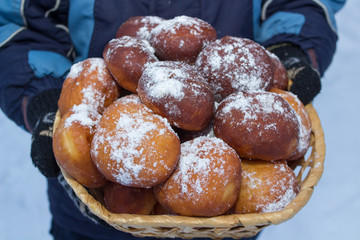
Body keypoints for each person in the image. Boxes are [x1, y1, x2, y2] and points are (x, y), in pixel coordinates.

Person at [0, 0, 345, 239]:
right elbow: (16, 19)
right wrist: (42, 93)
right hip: (87, 216)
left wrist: (293, 43)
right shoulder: (134, 102)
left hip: (227, 230)